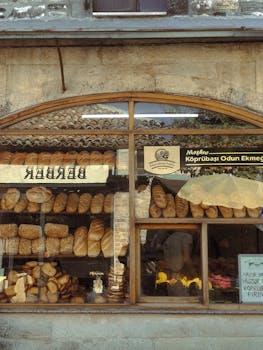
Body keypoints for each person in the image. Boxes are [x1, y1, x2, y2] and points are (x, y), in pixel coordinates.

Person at [162, 231, 194, 296]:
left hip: (170, 277)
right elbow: (186, 258)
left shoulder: (170, 238)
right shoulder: (186, 237)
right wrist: (194, 274)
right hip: (181, 276)